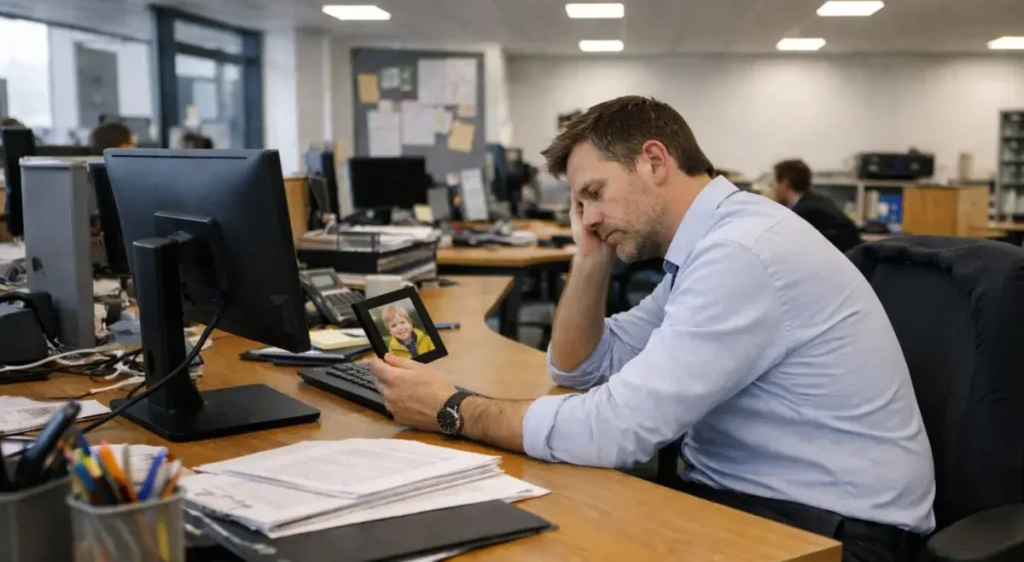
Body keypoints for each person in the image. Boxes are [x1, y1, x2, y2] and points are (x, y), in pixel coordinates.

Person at [369, 96, 935, 562]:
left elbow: (614, 430)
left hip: (836, 536)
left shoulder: (742, 253)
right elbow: (580, 367)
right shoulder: (710, 245)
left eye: (594, 193)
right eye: (578, 203)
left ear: (654, 161)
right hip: (753, 502)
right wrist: (590, 255)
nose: (586, 215)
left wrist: (454, 408)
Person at [771, 159, 862, 252]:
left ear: (785, 184)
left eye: (773, 183)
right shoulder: (816, 201)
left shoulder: (804, 212)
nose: (772, 188)